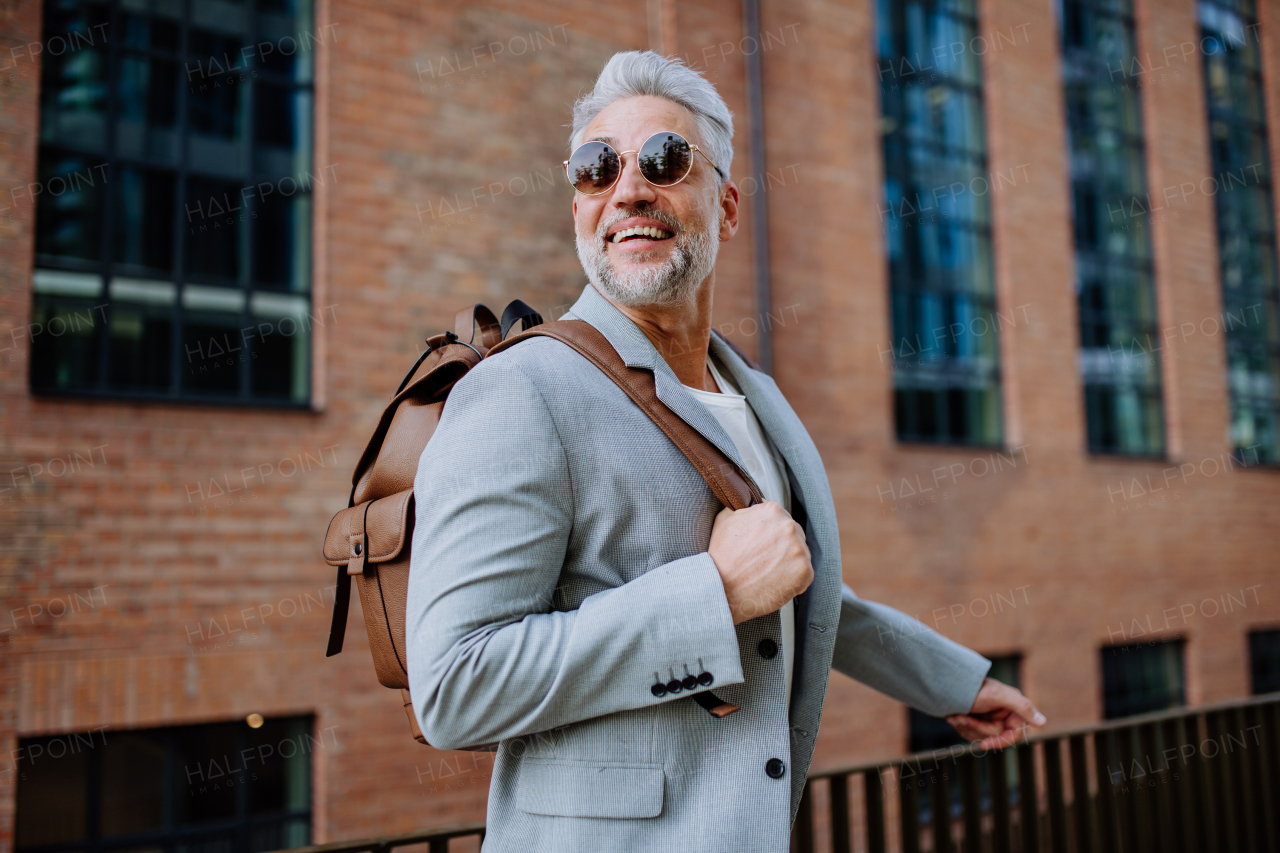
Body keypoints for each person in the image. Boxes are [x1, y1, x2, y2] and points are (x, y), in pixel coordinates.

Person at [406, 50, 1045, 851]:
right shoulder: (523, 391)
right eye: (596, 168)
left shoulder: (752, 393)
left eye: (666, 161)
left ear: (729, 205)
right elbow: (454, 686)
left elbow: (789, 585)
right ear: (577, 207)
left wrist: (947, 678)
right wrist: (711, 592)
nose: (628, 189)